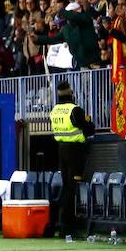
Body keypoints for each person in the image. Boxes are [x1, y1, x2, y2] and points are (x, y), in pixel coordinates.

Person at [49, 81, 95, 239]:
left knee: (66, 187)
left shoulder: (54, 110)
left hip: (61, 150)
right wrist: (88, 121)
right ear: (71, 92)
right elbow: (89, 129)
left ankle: (57, 224)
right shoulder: (75, 109)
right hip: (75, 152)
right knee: (72, 189)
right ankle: (67, 227)